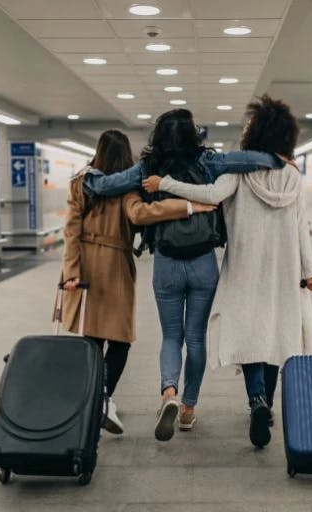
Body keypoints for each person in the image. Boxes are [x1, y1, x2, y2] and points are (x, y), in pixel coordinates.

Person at [79, 109, 284, 443]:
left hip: (167, 262)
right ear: (193, 134)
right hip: (203, 261)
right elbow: (250, 160)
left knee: (171, 336)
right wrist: (277, 159)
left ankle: (168, 392)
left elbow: (106, 185)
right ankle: (188, 408)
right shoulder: (209, 161)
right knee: (197, 339)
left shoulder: (148, 167)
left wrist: (89, 178)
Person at [143, 95, 312, 448]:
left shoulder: (238, 174)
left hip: (244, 266)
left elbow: (208, 195)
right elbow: (302, 227)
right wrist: (311, 271)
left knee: (250, 337)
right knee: (275, 335)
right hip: (283, 271)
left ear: (258, 133)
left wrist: (164, 183)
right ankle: (264, 404)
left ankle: (254, 399)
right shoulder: (293, 177)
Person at [60, 129, 215, 436]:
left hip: (86, 269)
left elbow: (71, 231)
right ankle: (103, 397)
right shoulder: (127, 189)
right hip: (115, 267)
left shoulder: (80, 184)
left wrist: (72, 272)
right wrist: (188, 206)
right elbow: (144, 213)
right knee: (119, 342)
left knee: (91, 339)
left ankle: (92, 398)